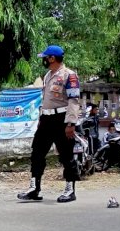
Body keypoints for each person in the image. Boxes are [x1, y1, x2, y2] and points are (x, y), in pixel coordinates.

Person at [17, 45, 81, 203]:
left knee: (66, 156)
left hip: (62, 119)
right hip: (46, 120)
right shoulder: (47, 75)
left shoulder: (69, 75)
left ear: (52, 58)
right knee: (37, 153)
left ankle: (69, 189)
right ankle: (34, 188)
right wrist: (40, 120)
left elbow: (74, 100)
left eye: (45, 57)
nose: (43, 60)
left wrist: (71, 123)